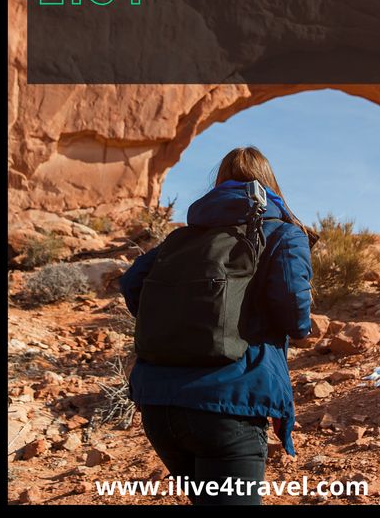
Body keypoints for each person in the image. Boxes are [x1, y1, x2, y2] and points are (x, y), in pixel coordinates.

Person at [120, 146, 313, 505]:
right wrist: (299, 327)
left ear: (219, 183)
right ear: (270, 182)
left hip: (159, 406)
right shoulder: (283, 234)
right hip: (229, 405)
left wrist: (176, 319)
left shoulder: (181, 238)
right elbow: (293, 308)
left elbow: (132, 283)